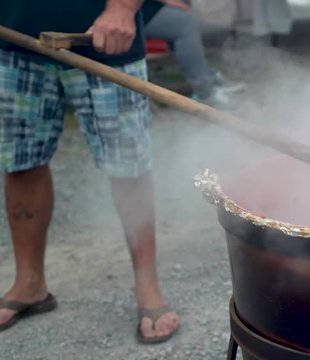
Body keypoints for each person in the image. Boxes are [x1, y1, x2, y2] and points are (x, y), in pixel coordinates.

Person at [0, 0, 180, 343]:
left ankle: (148, 285)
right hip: (13, 36)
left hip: (104, 36)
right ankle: (30, 284)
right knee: (21, 160)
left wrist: (123, 9)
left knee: (129, 166)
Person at [142, 0, 246, 110]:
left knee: (186, 19)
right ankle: (204, 92)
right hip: (130, 13)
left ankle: (208, 77)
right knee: (185, 25)